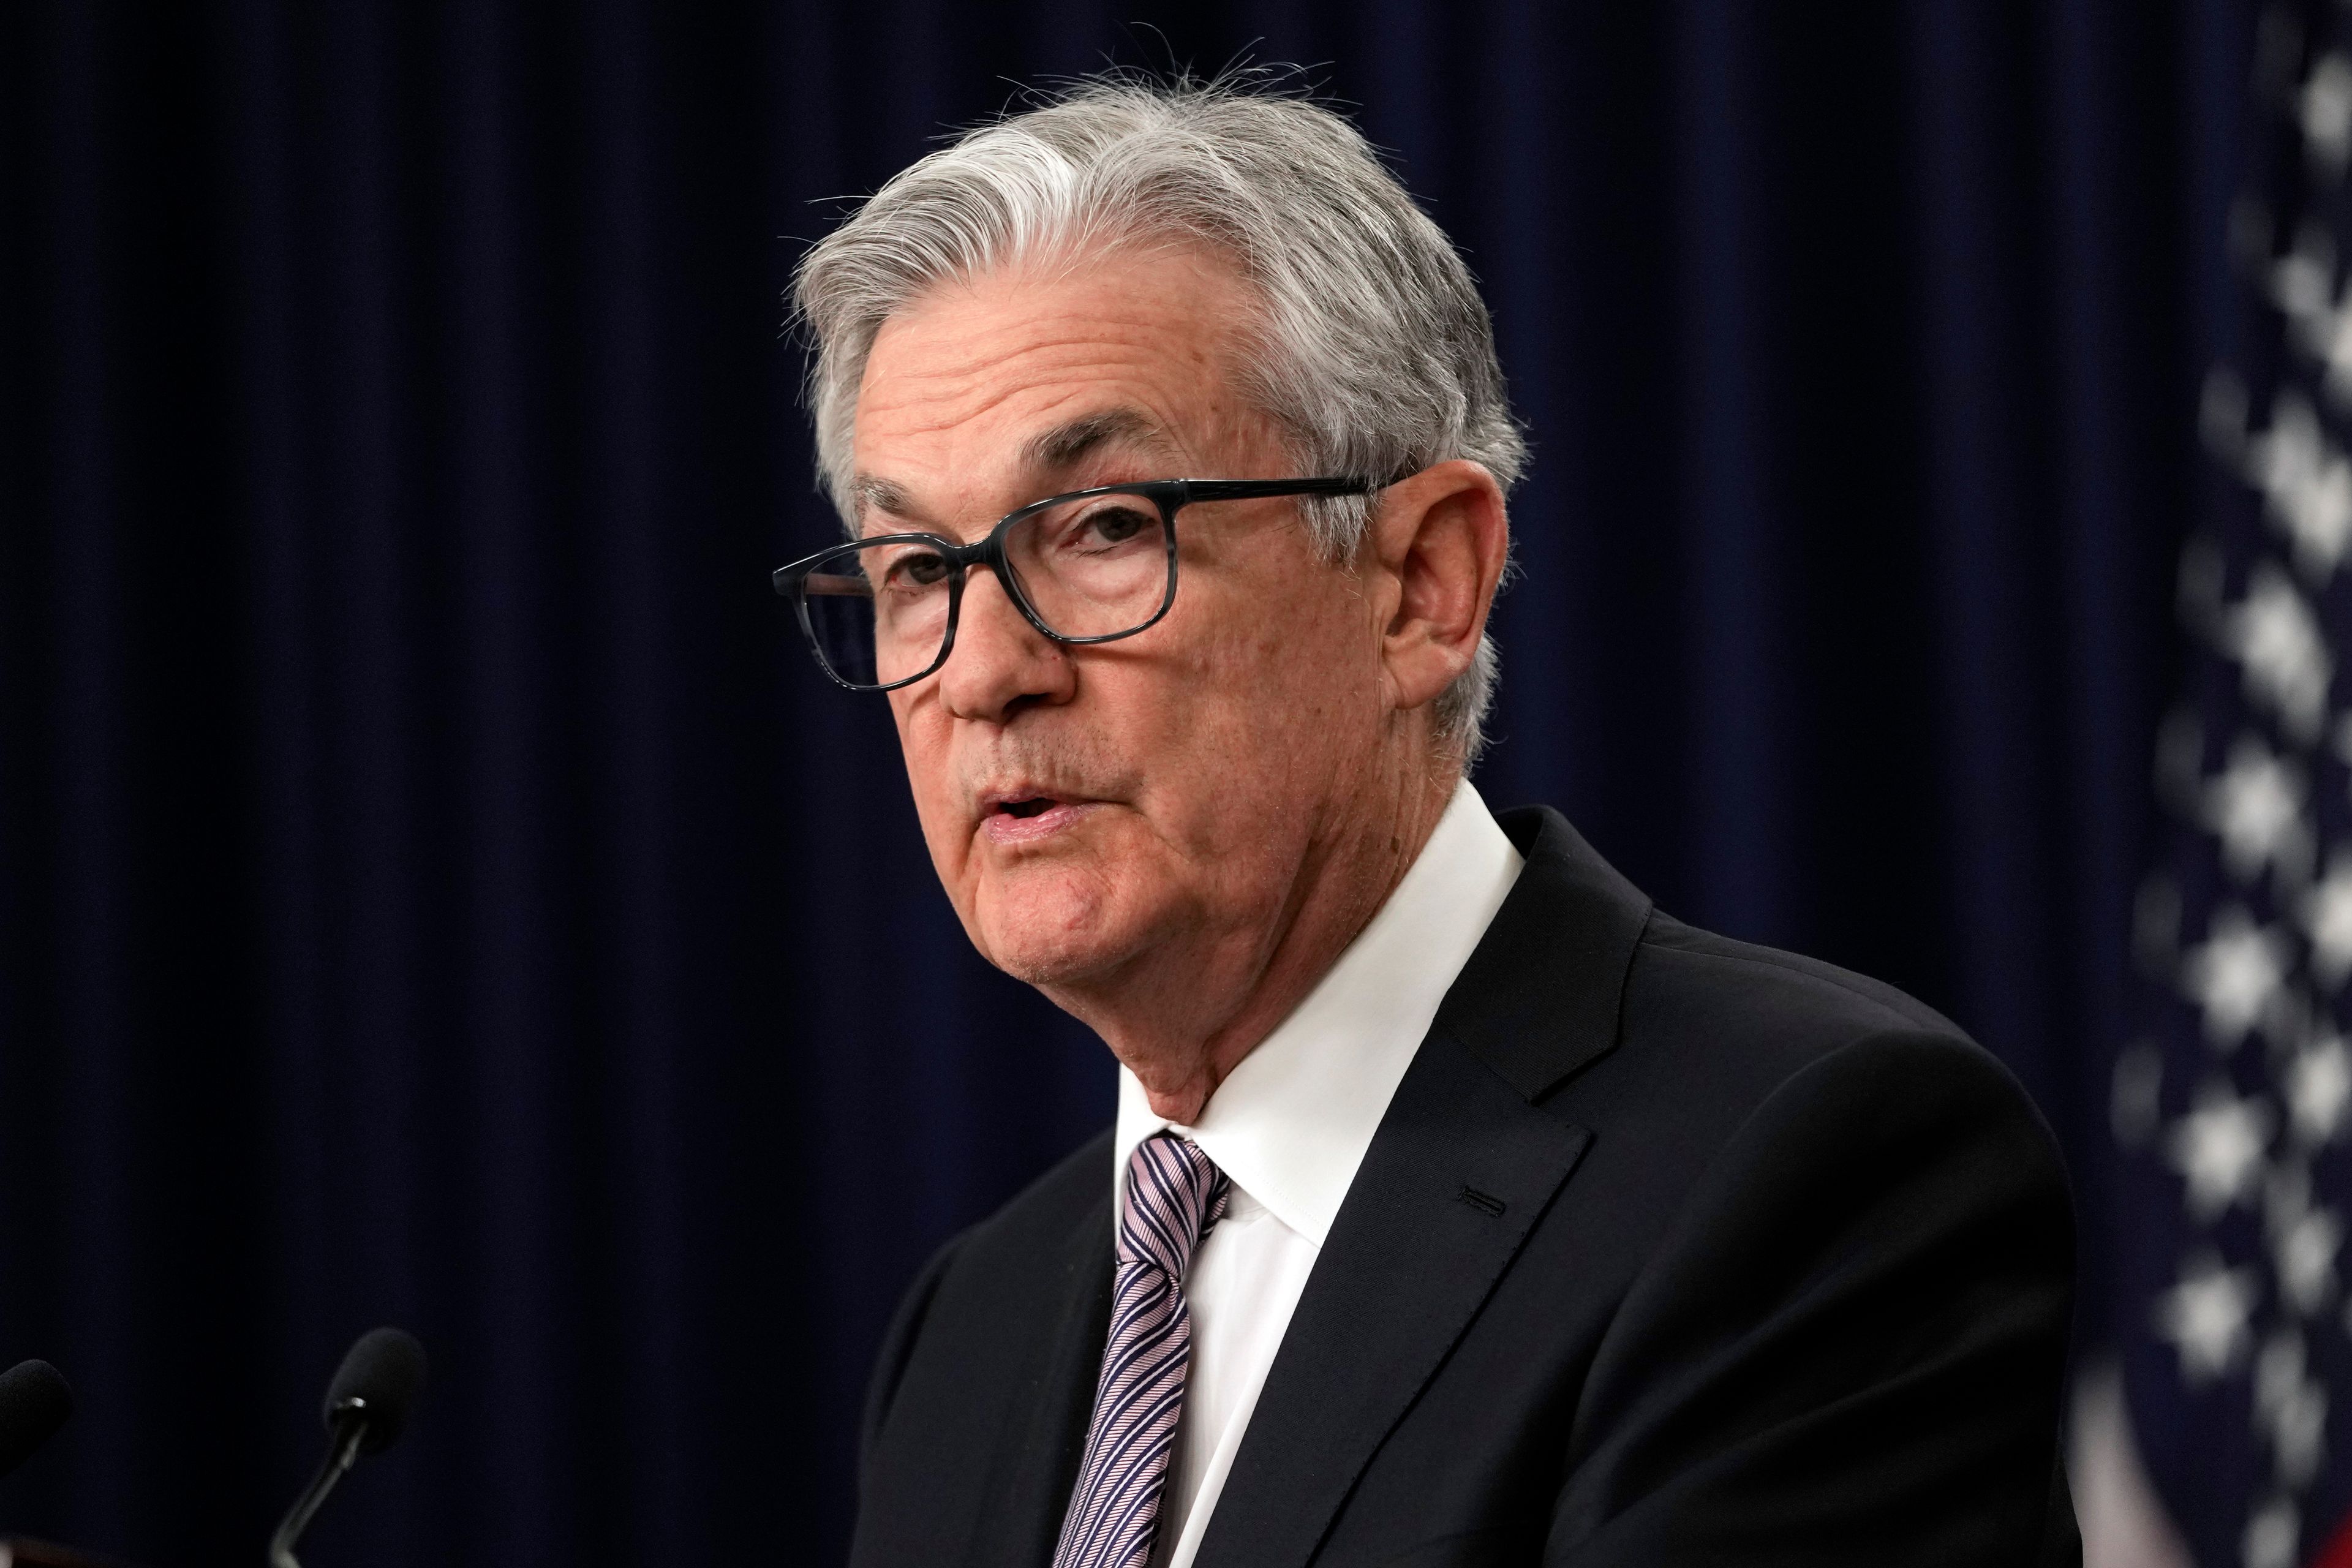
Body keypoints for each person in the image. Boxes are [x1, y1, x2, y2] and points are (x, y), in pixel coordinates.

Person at [775, 74, 2078, 1568]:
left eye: (1105, 529)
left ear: (1421, 585)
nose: (986, 671)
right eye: (914, 570)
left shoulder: (1807, 1171)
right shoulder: (973, 1328)